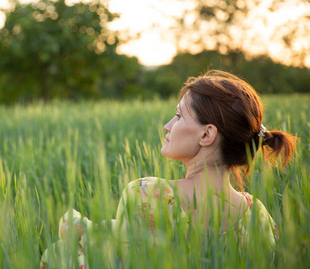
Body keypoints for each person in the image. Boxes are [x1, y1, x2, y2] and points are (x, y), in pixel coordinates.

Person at [40, 70, 297, 268]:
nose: (167, 125)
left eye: (178, 116)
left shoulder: (148, 194)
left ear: (207, 134)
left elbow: (119, 258)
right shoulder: (258, 217)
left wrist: (75, 228)